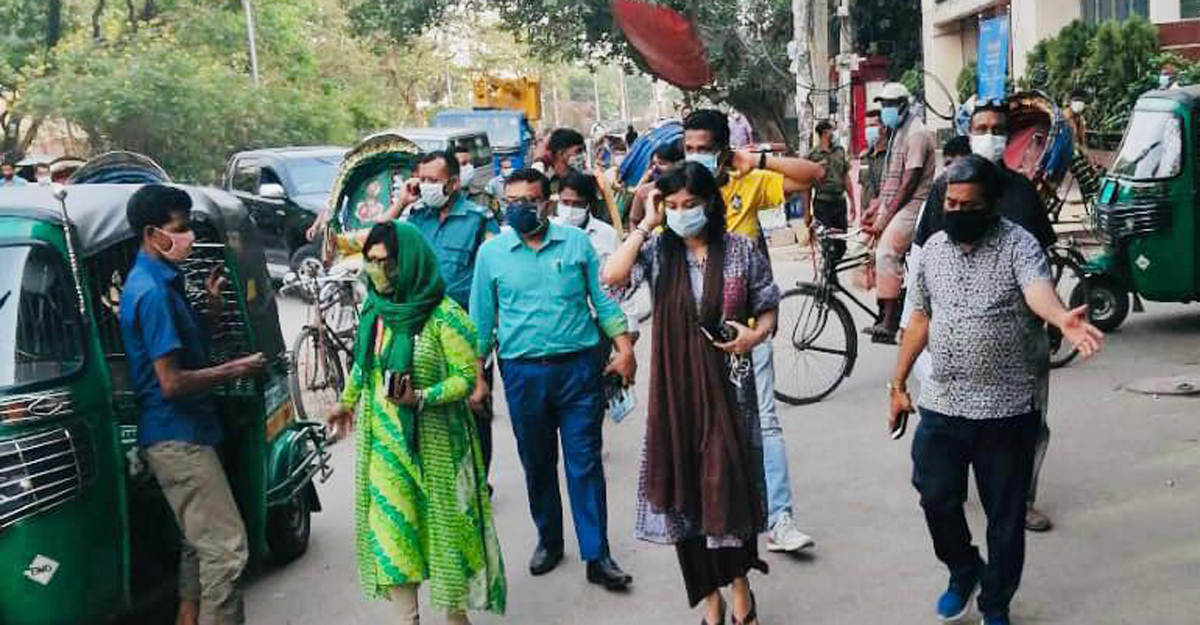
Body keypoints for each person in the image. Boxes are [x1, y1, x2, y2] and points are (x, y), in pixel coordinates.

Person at [889, 155, 1102, 625]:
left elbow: (1037, 290)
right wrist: (898, 383)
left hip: (1006, 408)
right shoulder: (934, 250)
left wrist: (1060, 317)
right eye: (951, 203)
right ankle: (964, 570)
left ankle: (996, 603)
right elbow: (919, 317)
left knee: (1005, 517)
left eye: (969, 206)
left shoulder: (1018, 244)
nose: (957, 212)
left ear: (990, 205)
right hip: (943, 402)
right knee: (934, 495)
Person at [603, 162, 778, 625]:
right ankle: (710, 600)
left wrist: (754, 336)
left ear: (710, 204)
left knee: (727, 490)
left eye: (691, 204)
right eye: (674, 205)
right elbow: (612, 277)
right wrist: (646, 222)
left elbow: (768, 305)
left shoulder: (740, 250)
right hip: (675, 394)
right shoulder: (659, 251)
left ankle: (740, 591)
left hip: (731, 392)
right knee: (686, 496)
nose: (682, 213)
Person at [328, 222, 505, 624]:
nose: (377, 272)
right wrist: (346, 402)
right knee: (394, 537)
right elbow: (364, 367)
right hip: (385, 448)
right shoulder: (375, 312)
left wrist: (421, 397)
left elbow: (466, 379)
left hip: (438, 447)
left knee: (446, 538)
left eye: (386, 263)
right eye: (371, 262)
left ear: (408, 262)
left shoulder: (445, 316)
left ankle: (456, 616)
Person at [469, 168, 637, 590]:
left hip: (578, 369)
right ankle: (549, 540)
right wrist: (478, 377)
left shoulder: (575, 243)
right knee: (537, 461)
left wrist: (625, 348)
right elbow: (481, 320)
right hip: (522, 373)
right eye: (511, 202)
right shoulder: (492, 254)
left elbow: (602, 300)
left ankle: (597, 554)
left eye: (528, 201)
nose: (519, 209)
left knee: (585, 462)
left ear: (547, 203)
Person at [119, 185, 267, 625]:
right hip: (177, 436)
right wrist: (236, 368)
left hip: (186, 431)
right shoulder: (152, 292)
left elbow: (184, 351)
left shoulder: (164, 281)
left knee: (197, 545)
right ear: (152, 233)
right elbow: (171, 381)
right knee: (228, 551)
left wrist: (214, 311)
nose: (188, 238)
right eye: (180, 228)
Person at [912, 102, 1059, 533]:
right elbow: (923, 262)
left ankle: (1021, 500)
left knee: (1030, 426)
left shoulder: (1021, 192)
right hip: (956, 347)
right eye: (982, 128)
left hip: (1021, 345)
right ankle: (959, 490)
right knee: (944, 454)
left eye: (997, 128)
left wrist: (1057, 317)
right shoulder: (948, 188)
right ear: (969, 132)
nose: (989, 135)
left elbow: (1041, 265)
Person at [683, 108, 823, 554]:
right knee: (702, 429)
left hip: (746, 332)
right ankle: (715, 520)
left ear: (723, 150)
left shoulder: (748, 183)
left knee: (765, 422)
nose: (696, 155)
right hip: (692, 340)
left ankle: (780, 519)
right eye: (689, 148)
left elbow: (812, 174)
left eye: (705, 149)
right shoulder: (678, 194)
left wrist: (757, 160)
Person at [404, 150, 501, 476]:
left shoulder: (478, 218)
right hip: (423, 332)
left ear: (454, 183)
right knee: (430, 408)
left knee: (475, 407)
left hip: (467, 332)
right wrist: (401, 202)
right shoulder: (416, 217)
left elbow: (492, 279)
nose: (426, 185)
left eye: (433, 180)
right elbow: (379, 244)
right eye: (422, 179)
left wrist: (488, 336)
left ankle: (480, 482)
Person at [864, 82, 937, 344]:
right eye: (883, 104)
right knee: (865, 248)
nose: (886, 109)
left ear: (904, 105)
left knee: (886, 251)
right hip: (896, 202)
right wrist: (876, 207)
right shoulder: (897, 132)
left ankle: (889, 321)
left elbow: (909, 183)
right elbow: (891, 178)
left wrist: (885, 217)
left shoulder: (916, 133)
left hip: (914, 203)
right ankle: (887, 307)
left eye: (890, 105)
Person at [553, 171, 640, 335]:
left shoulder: (607, 235)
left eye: (577, 204)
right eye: (565, 202)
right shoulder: (548, 234)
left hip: (601, 320)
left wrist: (631, 324)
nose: (570, 210)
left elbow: (621, 282)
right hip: (561, 322)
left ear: (588, 204)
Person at [806, 120, 858, 262]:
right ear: (825, 133)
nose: (834, 134)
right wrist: (807, 212)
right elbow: (807, 186)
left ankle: (832, 267)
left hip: (839, 203)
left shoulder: (839, 151)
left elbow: (846, 177)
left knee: (841, 244)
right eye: (832, 131)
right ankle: (829, 273)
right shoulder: (812, 156)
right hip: (823, 204)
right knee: (827, 244)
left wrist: (852, 202)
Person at [628, 140, 685, 228]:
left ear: (676, 164)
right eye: (653, 163)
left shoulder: (685, 189)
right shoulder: (644, 191)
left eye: (662, 163)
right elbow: (634, 221)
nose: (655, 168)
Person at [858, 108, 889, 227]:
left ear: (884, 128)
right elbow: (863, 187)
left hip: (885, 217)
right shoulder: (864, 157)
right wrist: (862, 215)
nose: (868, 130)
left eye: (873, 126)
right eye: (866, 127)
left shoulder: (892, 156)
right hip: (868, 217)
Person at [540, 128, 588, 194]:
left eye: (583, 151)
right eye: (577, 151)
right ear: (561, 153)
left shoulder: (585, 179)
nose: (582, 155)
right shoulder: (544, 181)